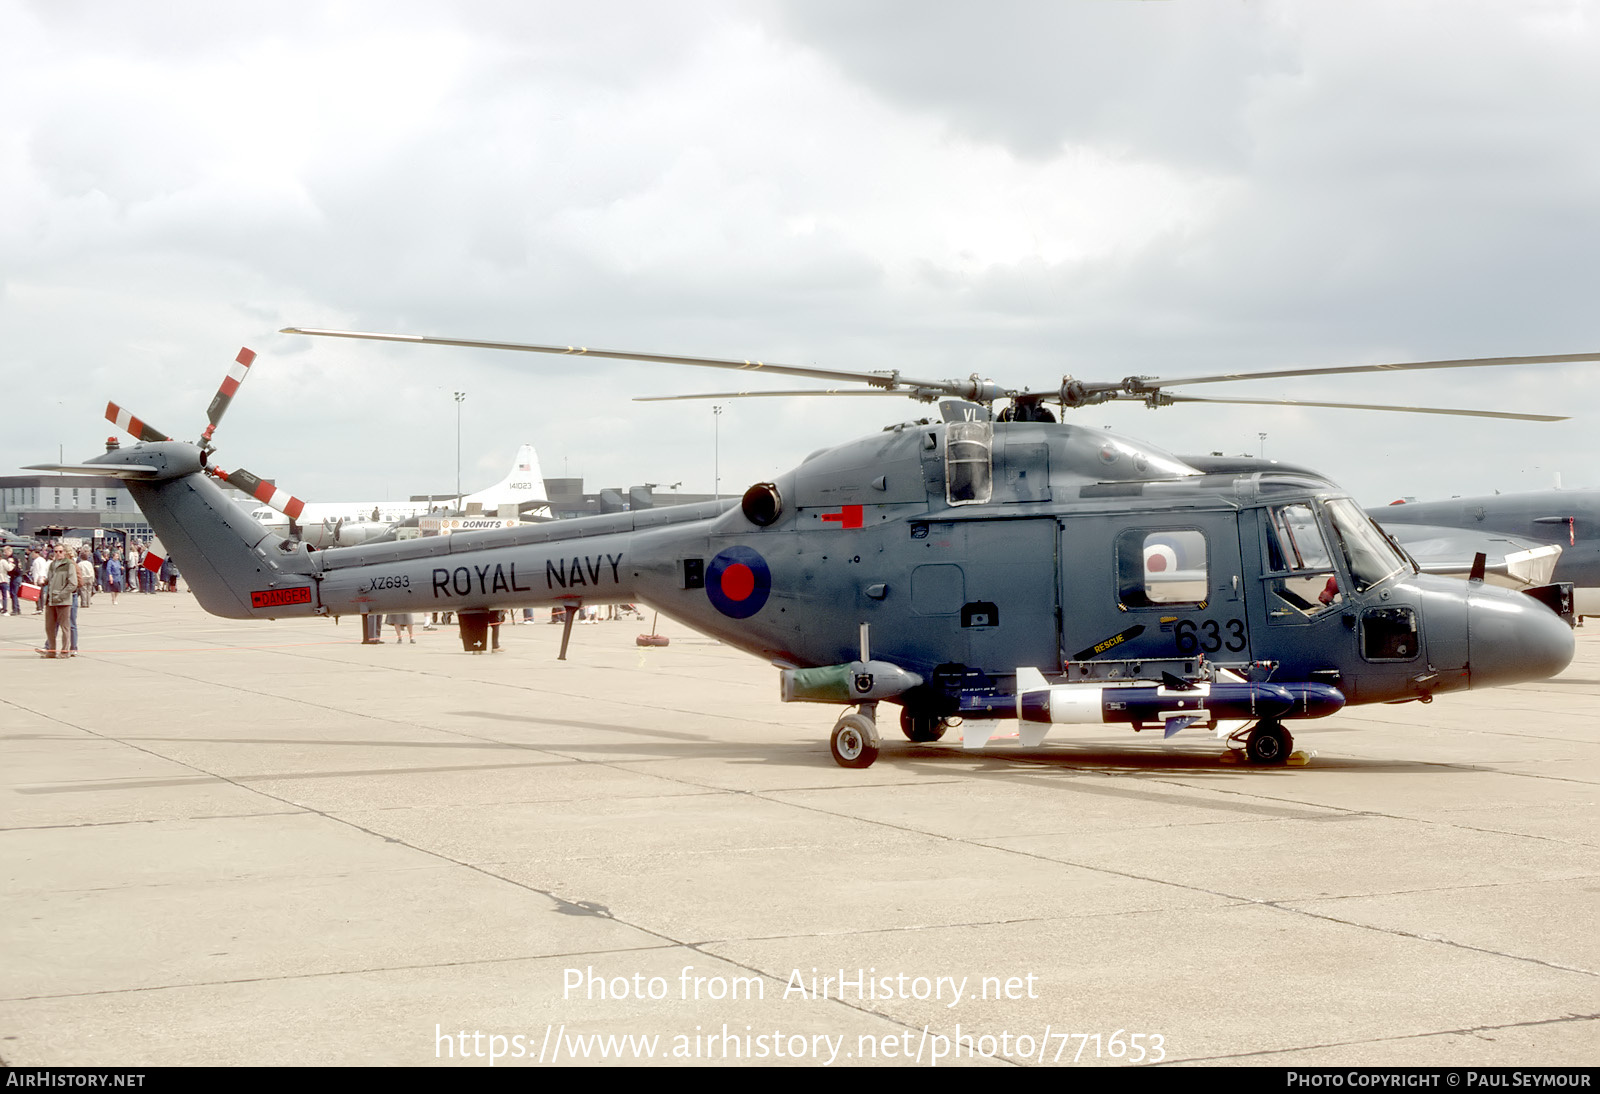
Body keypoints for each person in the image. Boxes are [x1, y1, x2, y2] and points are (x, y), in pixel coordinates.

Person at [38, 545, 82, 658]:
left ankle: (65, 651)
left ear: (64, 552)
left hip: (63, 601)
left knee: (65, 627)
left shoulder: (69, 565)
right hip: (50, 600)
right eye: (56, 551)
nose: (58, 553)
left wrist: (61, 595)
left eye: (60, 551)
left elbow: (73, 584)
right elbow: (51, 579)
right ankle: (51, 651)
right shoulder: (53, 565)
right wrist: (44, 581)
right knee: (49, 627)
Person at [0, 546, 17, 615]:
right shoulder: (3, 561)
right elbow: (9, 568)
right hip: (3, 579)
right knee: (4, 596)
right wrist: (11, 563)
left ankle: (0, 606)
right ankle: (5, 610)